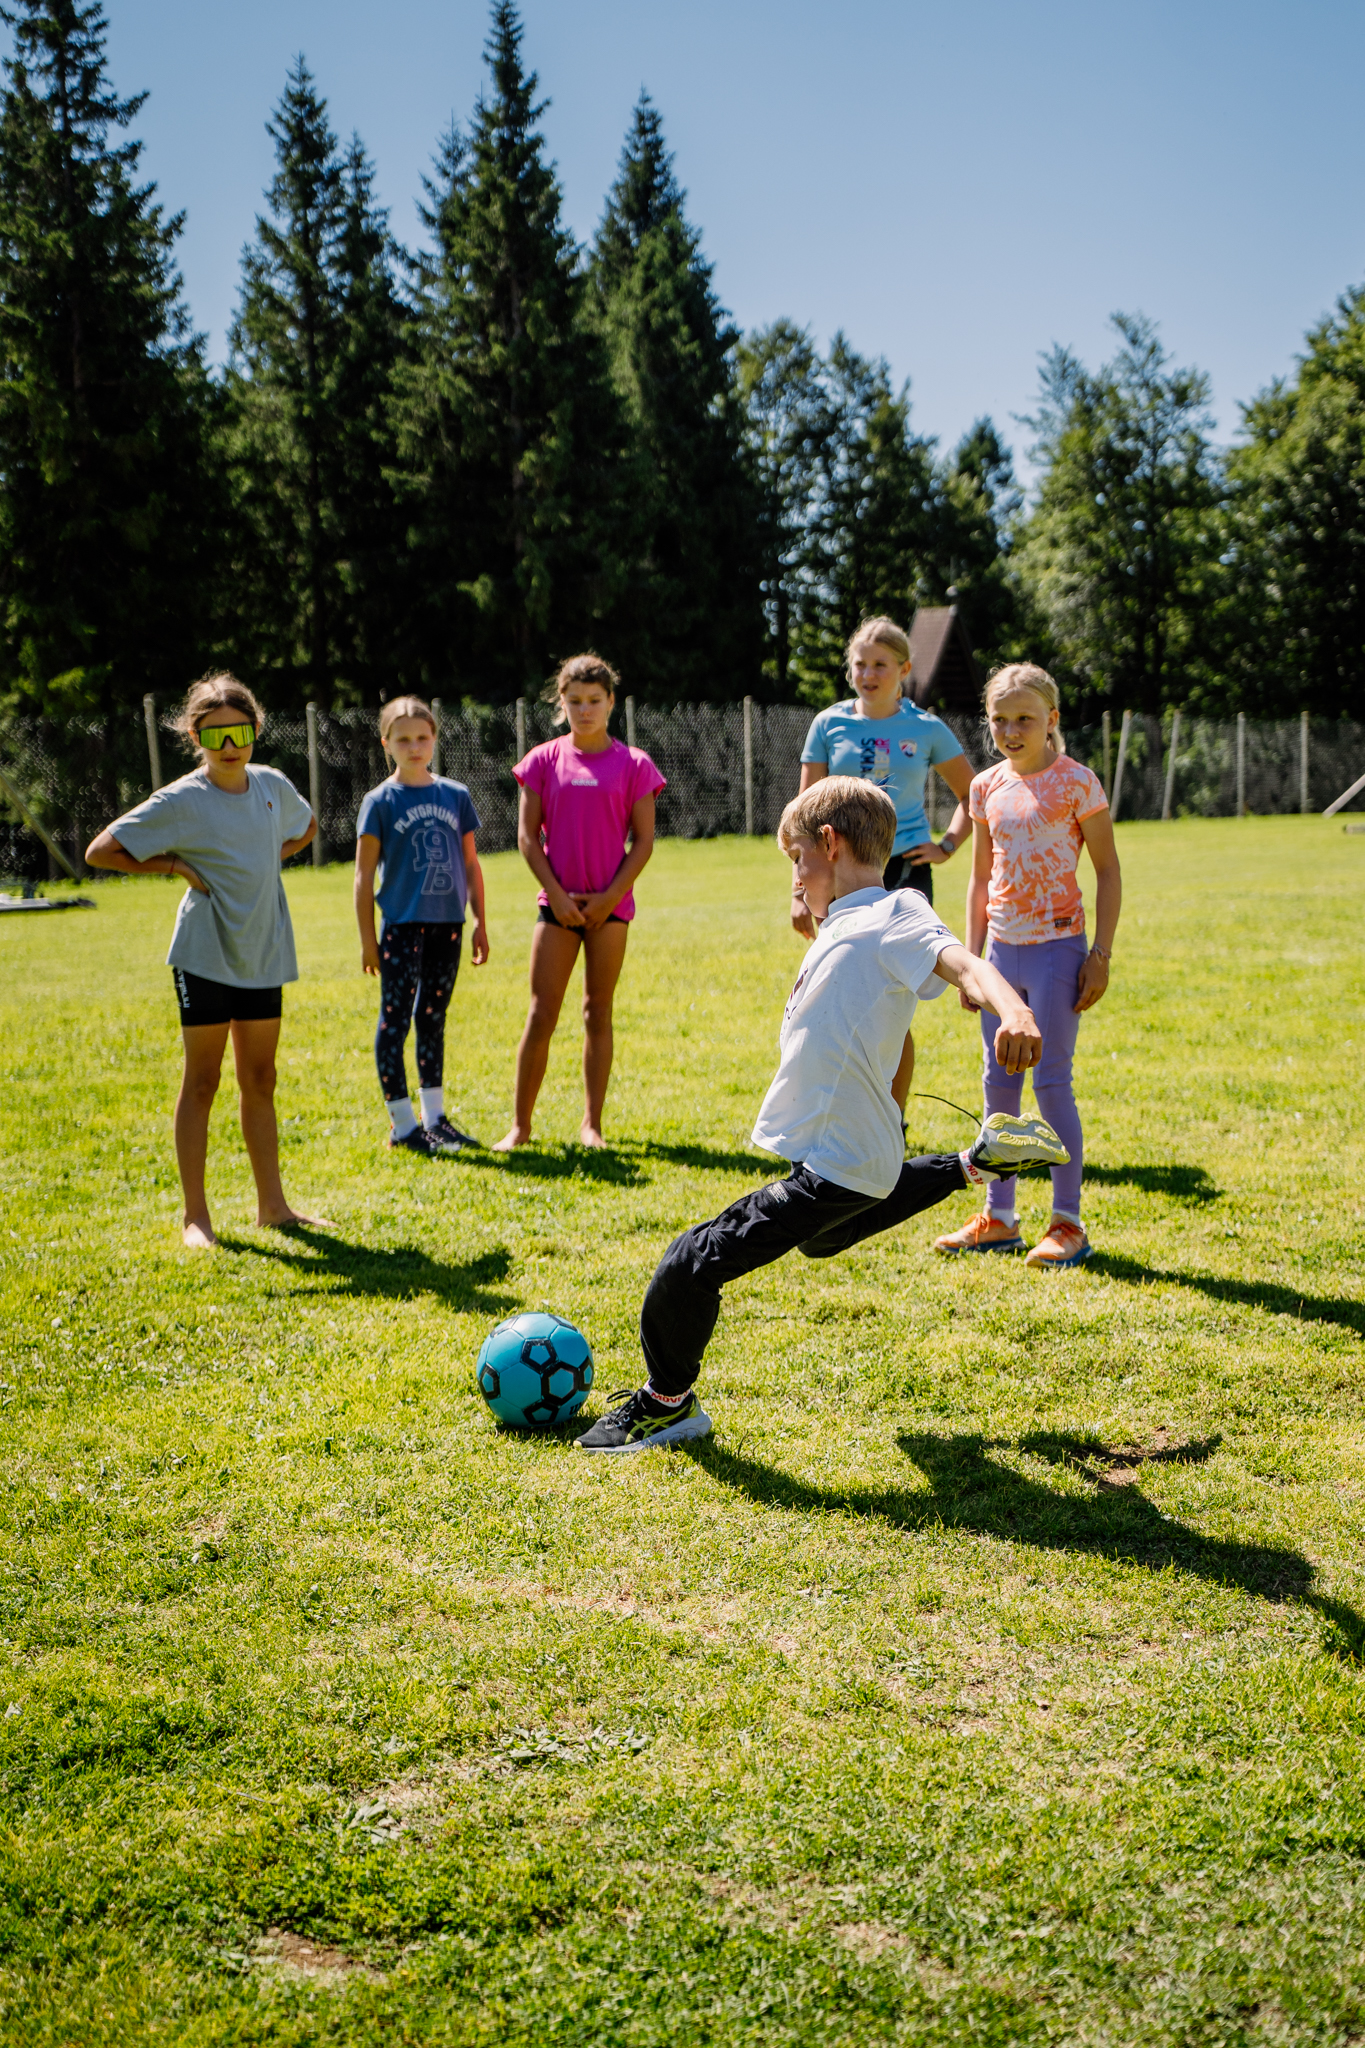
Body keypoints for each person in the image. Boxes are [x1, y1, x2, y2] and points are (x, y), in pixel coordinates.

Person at [575, 777, 1068, 1454]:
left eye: (797, 859)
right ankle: (977, 1161)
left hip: (842, 1160)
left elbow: (965, 965)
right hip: (852, 1156)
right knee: (822, 1237)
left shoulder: (897, 911)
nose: (795, 877)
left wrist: (1013, 1011)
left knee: (688, 1264)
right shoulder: (846, 924)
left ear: (830, 845)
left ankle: (667, 1405)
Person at [84, 674, 324, 1250]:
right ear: (195, 737)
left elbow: (307, 827)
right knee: (203, 1081)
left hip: (262, 950)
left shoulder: (272, 785)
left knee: (260, 1078)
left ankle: (274, 1207)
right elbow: (101, 851)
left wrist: (269, 858)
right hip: (205, 954)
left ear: (256, 730)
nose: (230, 746)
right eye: (215, 736)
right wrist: (174, 866)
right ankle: (196, 1217)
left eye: (240, 732)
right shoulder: (183, 799)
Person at [932, 663, 1121, 1269]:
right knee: (998, 1082)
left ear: (1051, 720)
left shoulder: (1078, 783)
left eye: (1025, 719)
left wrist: (1100, 956)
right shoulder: (985, 787)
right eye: (1000, 720)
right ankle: (1000, 1217)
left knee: (1051, 1082)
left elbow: (1108, 871)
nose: (1011, 731)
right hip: (1000, 955)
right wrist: (972, 961)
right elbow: (980, 878)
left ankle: (1067, 1222)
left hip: (1059, 951)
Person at [793, 615, 975, 1104]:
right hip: (838, 874)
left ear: (904, 669)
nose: (868, 674)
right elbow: (804, 814)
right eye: (860, 664)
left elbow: (973, 795)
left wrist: (947, 845)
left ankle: (891, 1119)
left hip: (904, 872)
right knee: (839, 994)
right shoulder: (828, 724)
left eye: (880, 664)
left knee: (892, 1001)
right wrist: (798, 889)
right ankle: (841, 1110)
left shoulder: (926, 727)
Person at [494, 654, 664, 1152]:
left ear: (611, 702)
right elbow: (527, 838)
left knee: (597, 1012)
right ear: (561, 704)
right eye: (575, 702)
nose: (584, 710)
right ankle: (520, 1127)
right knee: (541, 1014)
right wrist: (559, 897)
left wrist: (610, 897)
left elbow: (644, 842)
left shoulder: (635, 765)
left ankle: (592, 1125)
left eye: (594, 700)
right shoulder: (542, 761)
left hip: (611, 910)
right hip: (557, 909)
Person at [355, 696, 488, 1156]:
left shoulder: (455, 795)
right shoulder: (379, 801)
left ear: (434, 739)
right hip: (402, 926)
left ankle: (435, 1119)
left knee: (432, 1017)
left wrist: (480, 921)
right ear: (386, 743)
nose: (414, 747)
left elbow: (470, 864)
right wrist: (367, 939)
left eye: (422, 738)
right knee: (394, 1021)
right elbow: (362, 876)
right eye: (403, 739)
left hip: (448, 925)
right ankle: (403, 1124)